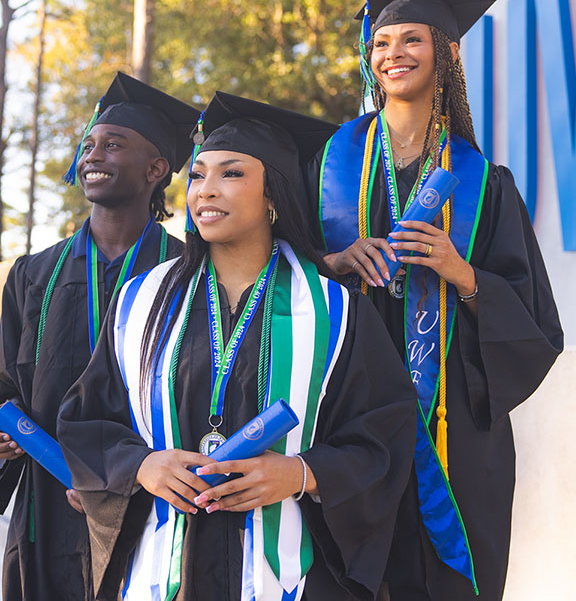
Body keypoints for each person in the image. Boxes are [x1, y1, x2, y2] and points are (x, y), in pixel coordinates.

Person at [57, 91, 417, 601]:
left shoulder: (336, 313)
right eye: (198, 175)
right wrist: (142, 465)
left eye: (231, 173)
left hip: (291, 571)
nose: (206, 190)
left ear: (273, 196)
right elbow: (87, 418)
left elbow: (384, 431)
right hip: (166, 565)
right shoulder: (142, 302)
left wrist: (301, 473)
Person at [305, 0, 564, 600]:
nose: (393, 55)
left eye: (411, 40)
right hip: (343, 412)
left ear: (447, 53)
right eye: (381, 43)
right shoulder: (326, 164)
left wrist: (462, 272)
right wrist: (333, 263)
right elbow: (271, 269)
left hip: (450, 429)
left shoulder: (484, 181)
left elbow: (536, 325)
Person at [0, 72, 199, 601]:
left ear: (157, 169)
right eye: (88, 145)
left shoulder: (190, 271)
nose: (93, 155)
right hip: (47, 507)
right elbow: (5, 384)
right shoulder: (33, 273)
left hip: (148, 505)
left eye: (114, 145)